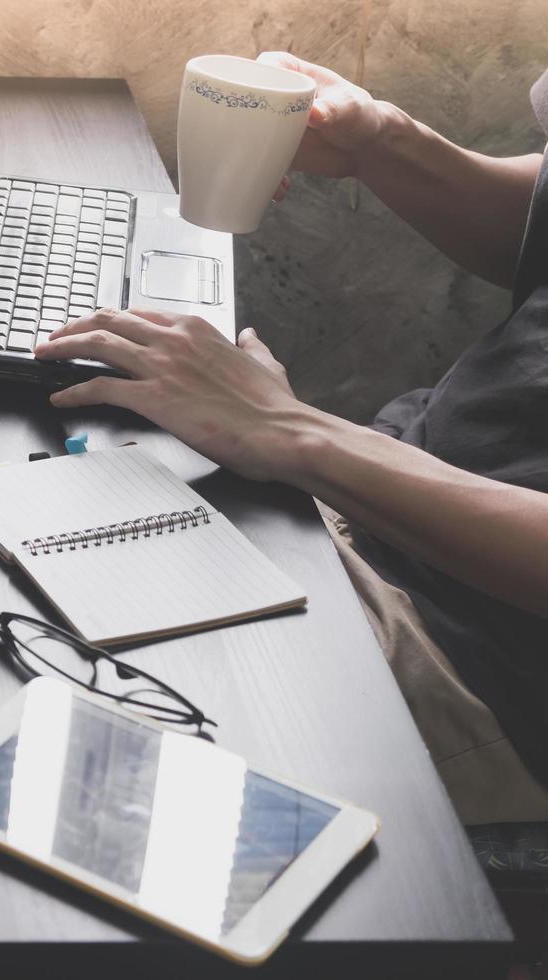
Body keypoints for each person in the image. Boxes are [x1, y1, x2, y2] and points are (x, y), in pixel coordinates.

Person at [36, 52, 548, 827]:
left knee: (76, 763)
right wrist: (385, 141)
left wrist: (292, 431)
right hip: (377, 496)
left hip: (475, 663)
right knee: (39, 533)